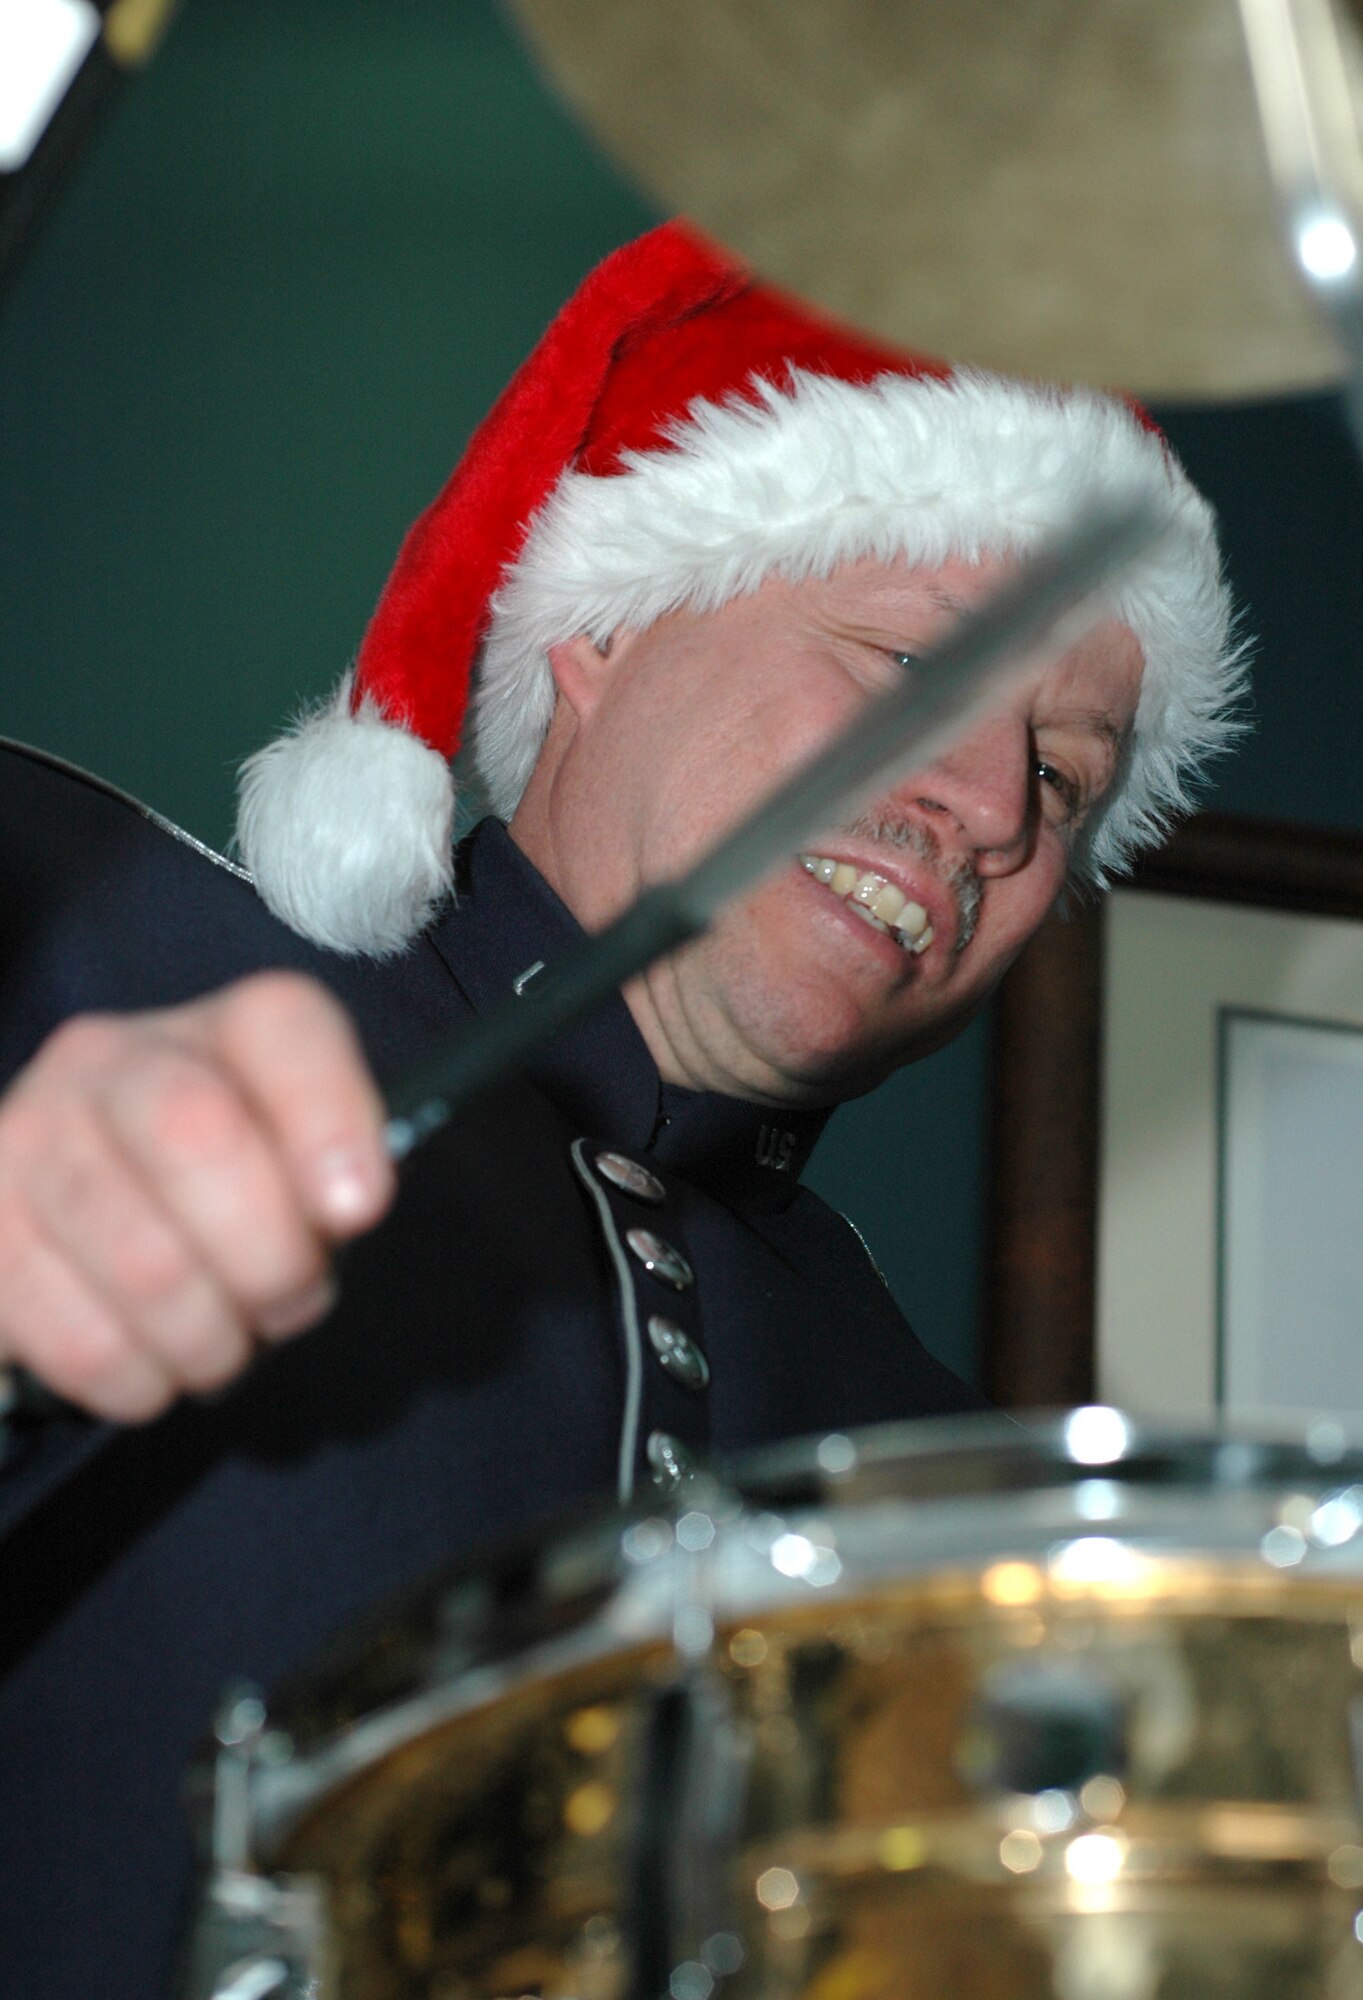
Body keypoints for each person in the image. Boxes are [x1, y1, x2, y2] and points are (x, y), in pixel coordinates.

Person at [0, 223, 1241, 1997]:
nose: (990, 807)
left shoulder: (926, 1473)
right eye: (910, 668)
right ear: (601, 630)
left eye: (1064, 775)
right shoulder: (51, 926)